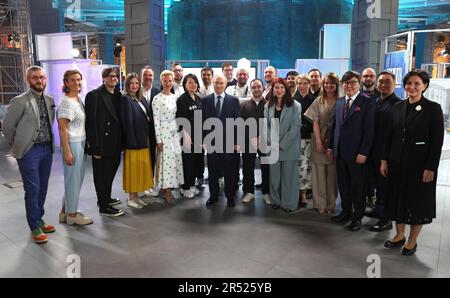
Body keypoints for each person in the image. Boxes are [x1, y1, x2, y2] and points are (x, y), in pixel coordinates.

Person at [382, 69, 444, 256]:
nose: (412, 87)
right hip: (396, 163)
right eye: (409, 83)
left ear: (425, 86)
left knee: (417, 203)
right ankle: (399, 234)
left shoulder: (433, 108)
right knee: (397, 200)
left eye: (417, 83)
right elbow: (389, 136)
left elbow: (437, 141)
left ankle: (412, 240)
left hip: (420, 166)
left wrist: (430, 167)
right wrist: (384, 160)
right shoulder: (397, 107)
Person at [2, 66, 56, 244]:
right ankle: (34, 225)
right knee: (32, 189)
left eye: (41, 77)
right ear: (28, 80)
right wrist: (18, 145)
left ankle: (39, 218)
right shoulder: (20, 101)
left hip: (46, 150)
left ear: (45, 78)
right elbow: (7, 127)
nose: (39, 80)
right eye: (35, 78)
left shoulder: (49, 100)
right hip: (29, 151)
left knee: (43, 187)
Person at [327, 71, 376, 231]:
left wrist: (363, 152)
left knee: (358, 187)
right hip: (340, 152)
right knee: (344, 185)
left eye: (353, 82)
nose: (349, 86)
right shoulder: (340, 102)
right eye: (346, 83)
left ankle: (358, 217)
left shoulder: (367, 102)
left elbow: (369, 131)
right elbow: (335, 126)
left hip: (357, 155)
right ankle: (346, 212)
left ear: (359, 83)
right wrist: (330, 147)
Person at [85, 67, 124, 217]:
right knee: (102, 176)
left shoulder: (118, 95)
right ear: (104, 78)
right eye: (110, 76)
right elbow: (91, 123)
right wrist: (94, 148)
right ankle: (103, 206)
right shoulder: (94, 95)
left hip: (115, 143)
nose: (113, 78)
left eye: (115, 76)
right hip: (102, 144)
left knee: (110, 174)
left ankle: (105, 198)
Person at [57, 70, 93, 226]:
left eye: (79, 80)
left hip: (80, 141)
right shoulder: (66, 102)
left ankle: (65, 212)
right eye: (72, 80)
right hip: (73, 143)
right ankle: (72, 215)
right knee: (73, 181)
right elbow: (62, 128)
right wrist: (67, 151)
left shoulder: (78, 99)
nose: (77, 83)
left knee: (74, 180)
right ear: (66, 83)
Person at [367, 71, 401, 232]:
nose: (383, 85)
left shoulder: (398, 104)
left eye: (387, 82)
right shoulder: (376, 101)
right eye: (380, 82)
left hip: (386, 155)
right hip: (374, 152)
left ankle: (386, 219)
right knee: (377, 185)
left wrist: (386, 158)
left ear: (394, 84)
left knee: (386, 187)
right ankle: (379, 209)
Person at [263, 78, 302, 213]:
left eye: (281, 88)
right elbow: (265, 126)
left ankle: (289, 204)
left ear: (286, 90)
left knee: (288, 178)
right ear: (272, 90)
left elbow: (295, 127)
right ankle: (276, 201)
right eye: (276, 88)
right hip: (273, 147)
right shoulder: (268, 106)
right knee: (274, 177)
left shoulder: (295, 105)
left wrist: (282, 144)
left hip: (289, 146)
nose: (279, 90)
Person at [202, 74, 241, 208]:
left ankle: (230, 197)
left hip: (229, 142)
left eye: (221, 83)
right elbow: (201, 121)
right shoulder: (205, 100)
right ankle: (213, 196)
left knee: (229, 171)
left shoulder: (233, 100)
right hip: (212, 142)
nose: (218, 85)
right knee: (212, 171)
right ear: (213, 83)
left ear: (226, 85)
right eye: (216, 83)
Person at [304, 73, 339, 215]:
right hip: (319, 137)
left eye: (332, 83)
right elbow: (315, 122)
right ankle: (320, 204)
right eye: (326, 83)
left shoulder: (342, 100)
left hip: (335, 140)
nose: (328, 86)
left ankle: (331, 204)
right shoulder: (318, 101)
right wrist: (318, 141)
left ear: (337, 85)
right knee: (318, 174)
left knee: (332, 175)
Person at [120, 73, 154, 209]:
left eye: (136, 83)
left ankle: (137, 196)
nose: (134, 86)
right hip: (133, 142)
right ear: (127, 85)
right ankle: (130, 197)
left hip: (143, 139)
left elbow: (147, 115)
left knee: (140, 168)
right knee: (133, 170)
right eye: (131, 83)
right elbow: (127, 122)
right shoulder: (126, 99)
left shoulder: (140, 98)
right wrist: (131, 140)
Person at [153, 70, 184, 204]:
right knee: (165, 163)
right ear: (161, 82)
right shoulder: (157, 98)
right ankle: (167, 191)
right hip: (164, 134)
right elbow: (156, 120)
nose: (167, 83)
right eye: (165, 81)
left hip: (174, 133)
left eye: (169, 81)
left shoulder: (174, 97)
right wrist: (158, 140)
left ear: (173, 82)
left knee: (174, 162)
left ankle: (169, 186)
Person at [240, 79, 271, 205]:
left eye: (258, 87)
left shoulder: (270, 105)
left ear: (263, 88)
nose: (256, 89)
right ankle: (249, 192)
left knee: (266, 167)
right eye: (253, 87)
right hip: (248, 141)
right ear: (251, 89)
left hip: (265, 141)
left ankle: (266, 192)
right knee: (247, 167)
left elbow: (272, 123)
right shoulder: (244, 105)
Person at [176, 74, 203, 199]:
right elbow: (181, 119)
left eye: (195, 82)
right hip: (187, 137)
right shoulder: (182, 100)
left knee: (195, 162)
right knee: (187, 162)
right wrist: (186, 135)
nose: (193, 85)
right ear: (185, 85)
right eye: (190, 83)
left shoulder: (198, 98)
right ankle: (185, 187)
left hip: (198, 137)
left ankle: (192, 185)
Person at [361, 67, 380, 207]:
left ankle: (372, 196)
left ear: (375, 78)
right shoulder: (356, 95)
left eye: (371, 76)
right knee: (361, 173)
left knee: (374, 173)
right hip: (360, 142)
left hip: (376, 143)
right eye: (365, 76)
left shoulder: (381, 95)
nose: (368, 78)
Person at [140, 66, 160, 198]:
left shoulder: (157, 92)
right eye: (145, 75)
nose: (148, 78)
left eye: (150, 75)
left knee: (152, 157)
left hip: (153, 132)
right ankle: (140, 184)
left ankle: (150, 183)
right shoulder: (135, 91)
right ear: (141, 76)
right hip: (139, 132)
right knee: (140, 159)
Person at [296, 74, 315, 207]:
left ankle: (305, 192)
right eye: (300, 83)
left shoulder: (315, 100)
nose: (302, 86)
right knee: (300, 167)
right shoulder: (292, 100)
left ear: (309, 84)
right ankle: (300, 193)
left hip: (312, 137)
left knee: (309, 167)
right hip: (297, 138)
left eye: (305, 83)